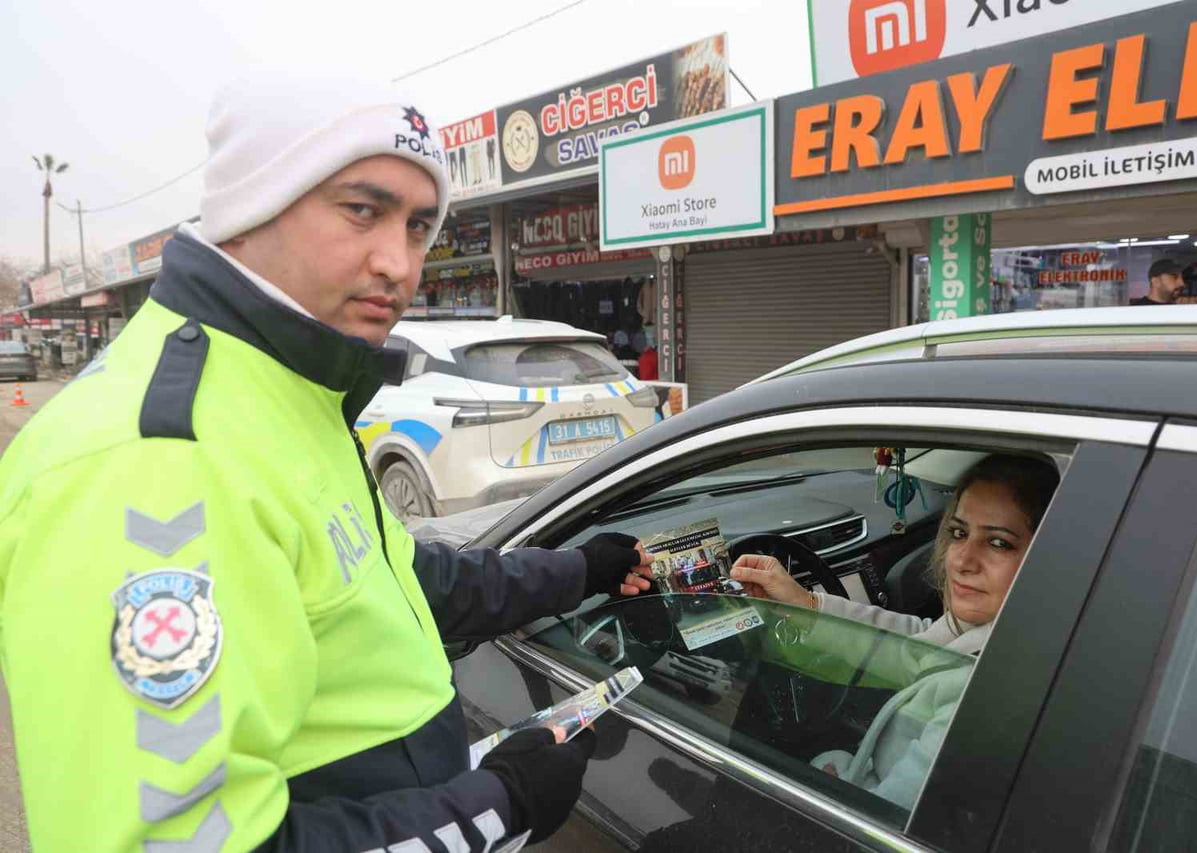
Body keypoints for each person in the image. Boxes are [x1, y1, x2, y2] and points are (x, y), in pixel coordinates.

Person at [0, 74, 655, 852]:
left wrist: (578, 569)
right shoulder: (150, 459)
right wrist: (499, 803)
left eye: (419, 225)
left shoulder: (290, 390)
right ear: (253, 204)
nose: (400, 264)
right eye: (362, 210)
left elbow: (398, 586)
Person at [730, 454, 1060, 808]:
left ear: (1050, 559)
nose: (962, 560)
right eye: (959, 533)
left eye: (999, 543)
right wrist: (807, 604)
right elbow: (916, 647)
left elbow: (884, 818)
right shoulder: (1008, 633)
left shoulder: (986, 698)